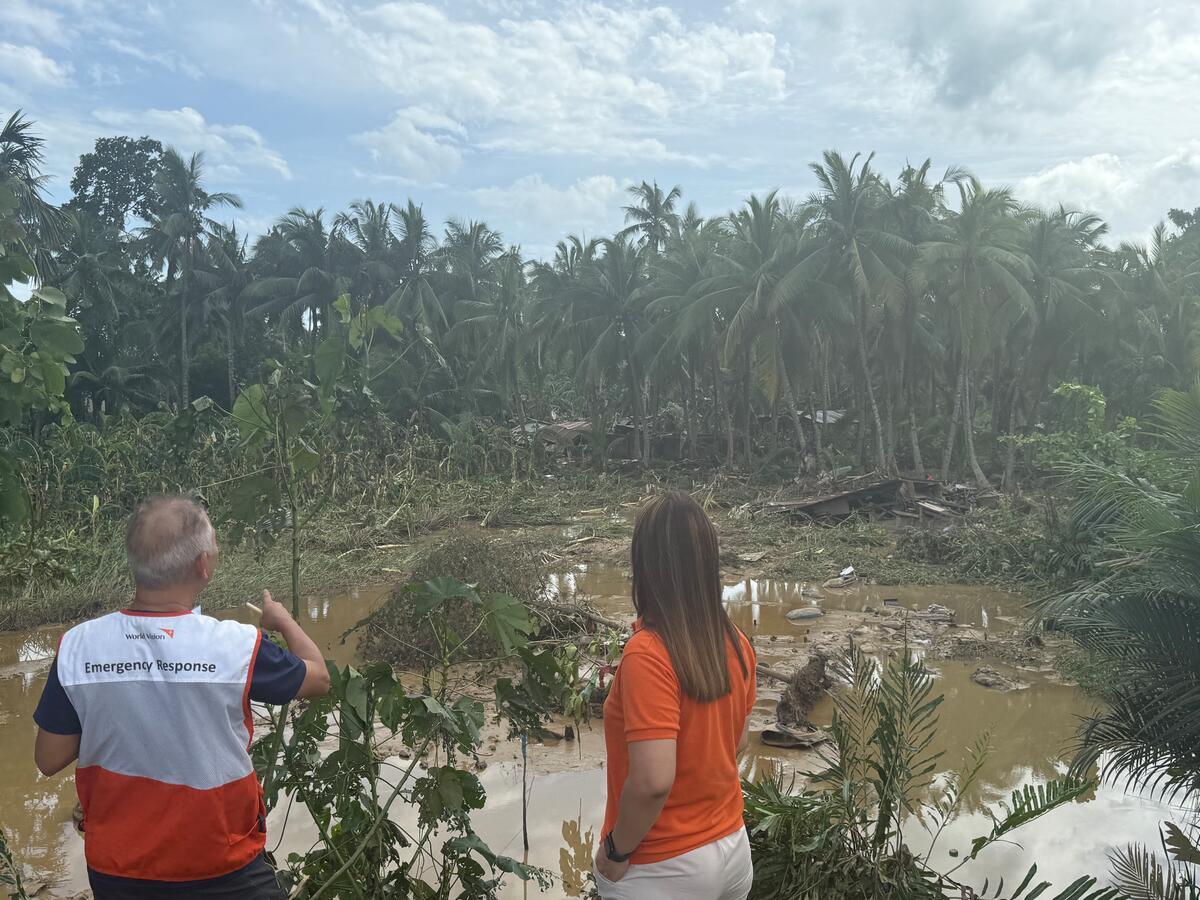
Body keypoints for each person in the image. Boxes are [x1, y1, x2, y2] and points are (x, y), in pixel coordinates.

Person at [32, 496, 331, 899]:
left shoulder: (78, 648)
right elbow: (319, 679)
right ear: (202, 567)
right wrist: (281, 619)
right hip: (223, 867)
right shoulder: (236, 645)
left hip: (119, 869)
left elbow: (49, 759)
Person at [594, 491, 757, 900]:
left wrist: (615, 851)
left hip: (662, 867)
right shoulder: (735, 643)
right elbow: (736, 742)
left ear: (645, 564)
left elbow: (652, 781)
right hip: (733, 849)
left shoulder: (649, 654)